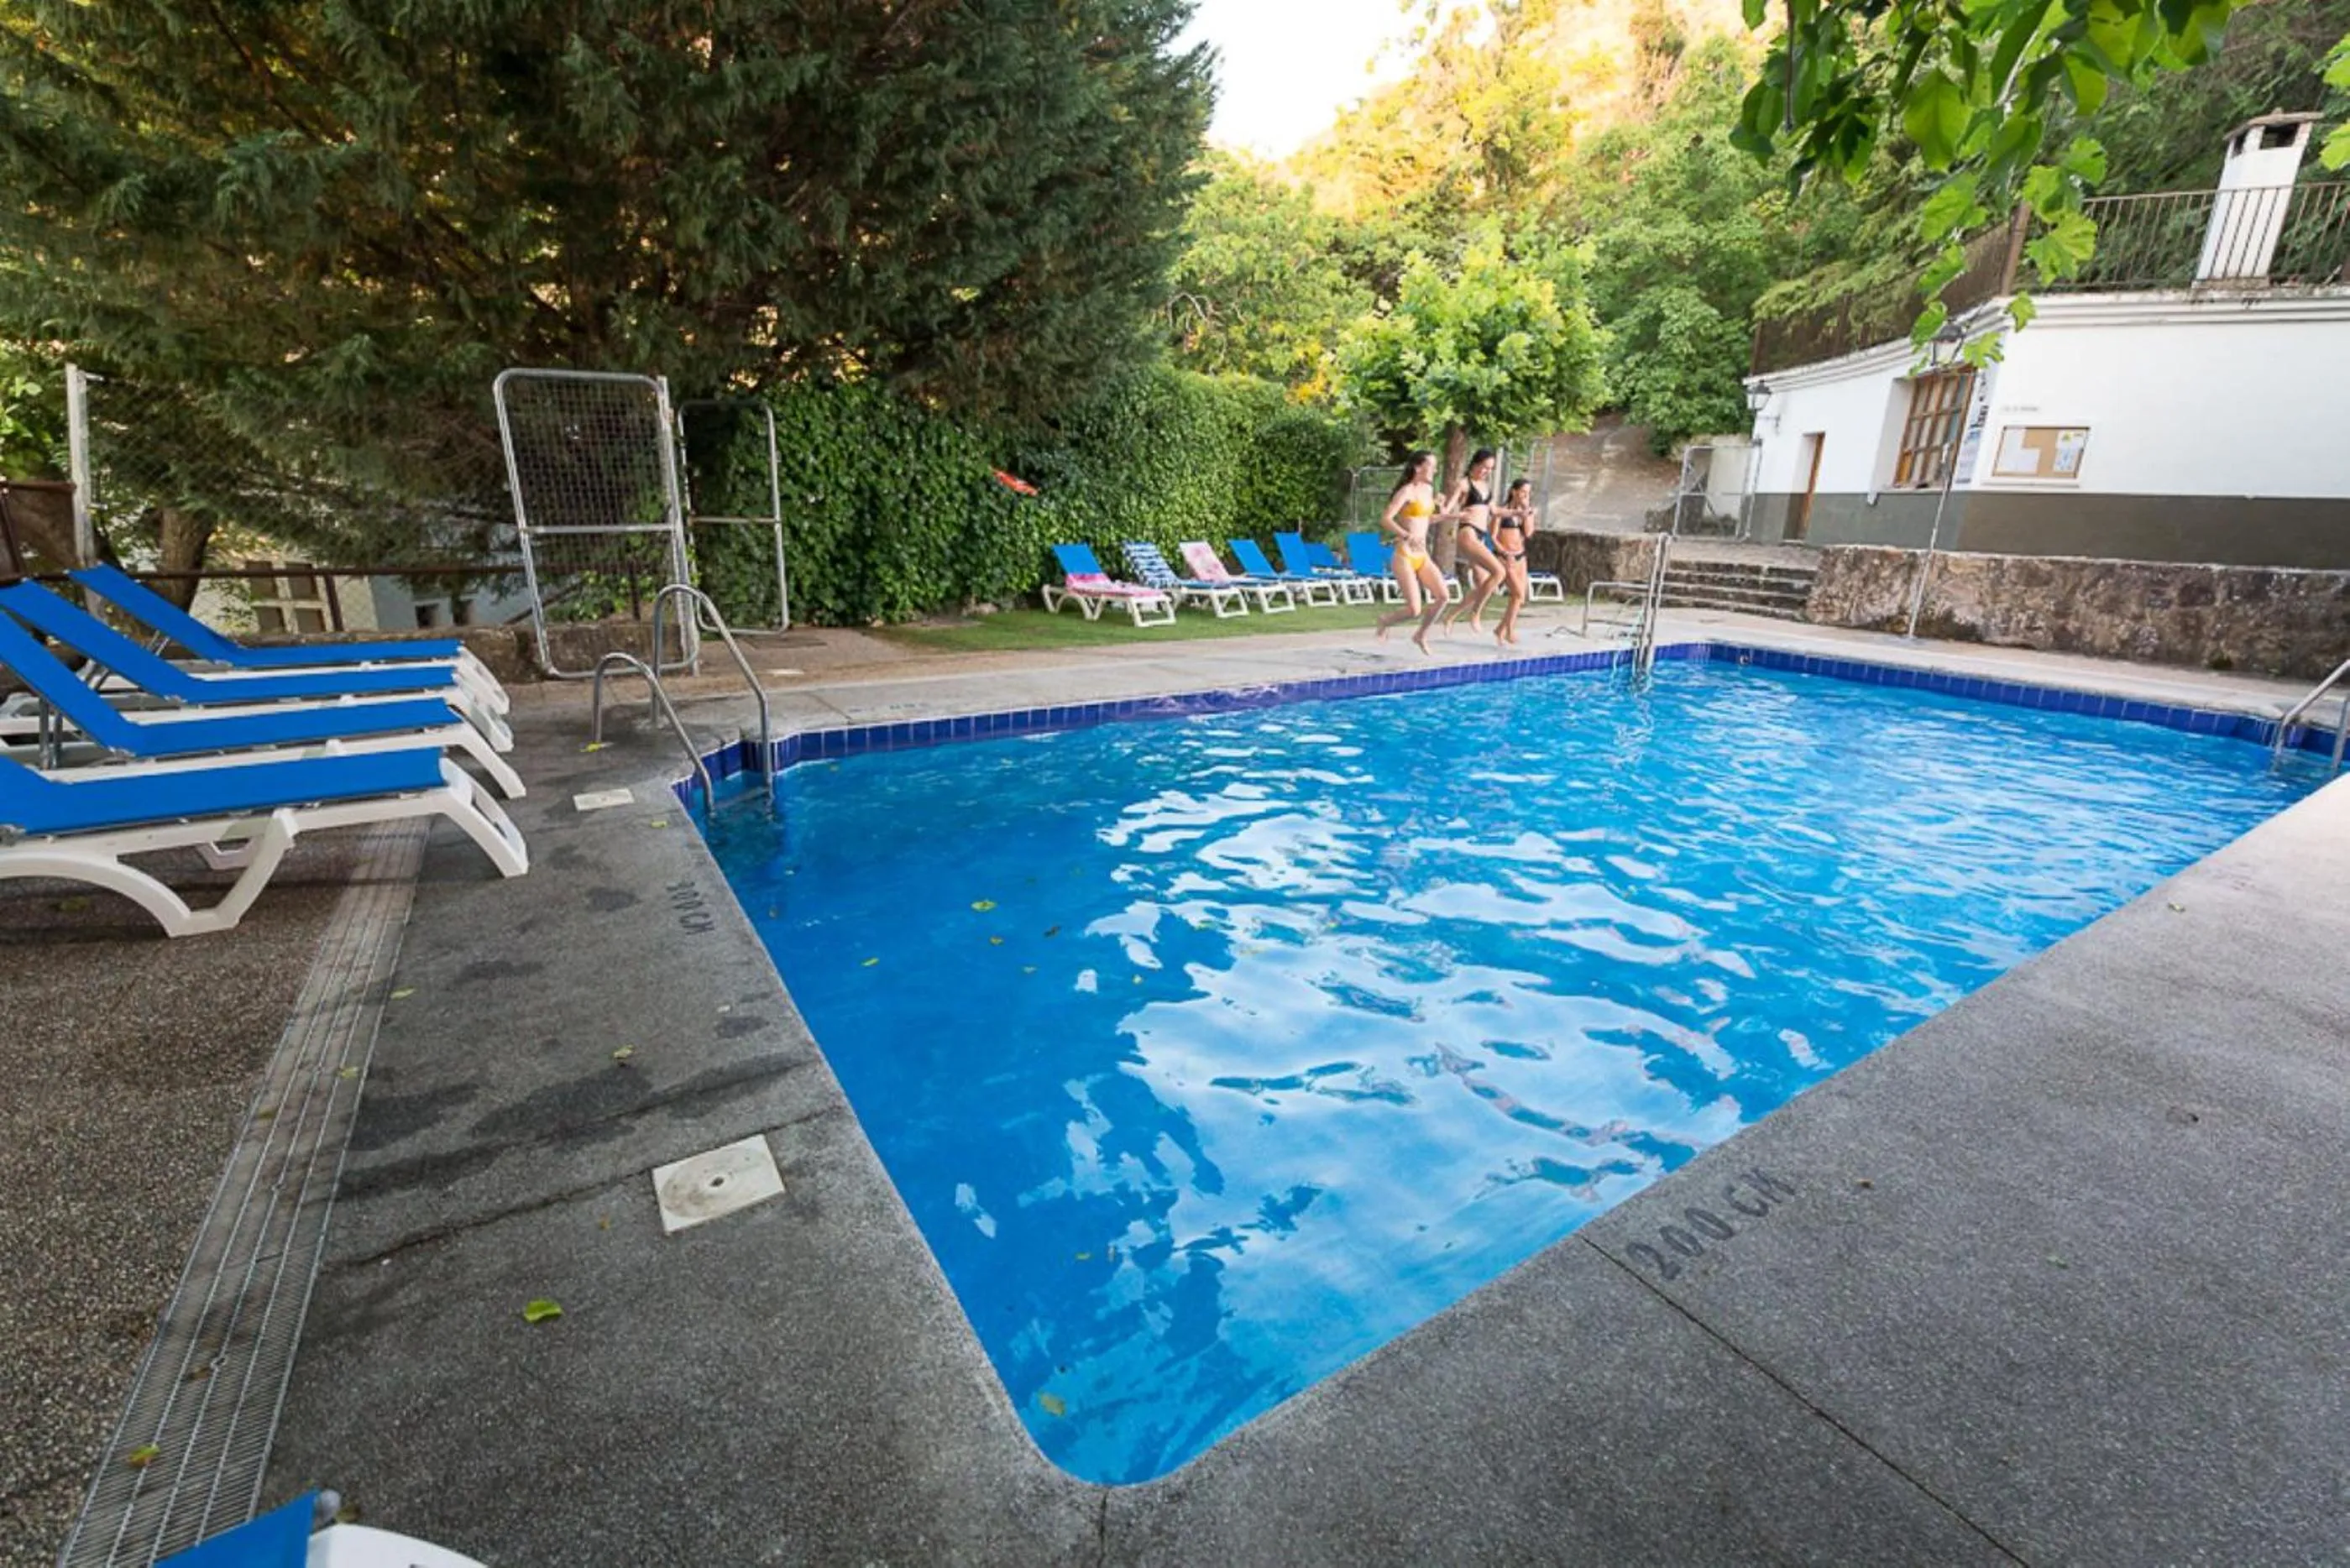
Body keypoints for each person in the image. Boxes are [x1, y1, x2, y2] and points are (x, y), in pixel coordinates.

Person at [1373, 452, 1450, 653]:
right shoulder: (1407, 491)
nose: (1435, 470)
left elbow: (1426, 519)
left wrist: (1444, 512)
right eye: (1431, 466)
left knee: (1443, 596)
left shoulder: (1428, 490)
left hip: (1422, 555)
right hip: (1405, 554)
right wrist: (1406, 535)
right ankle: (1385, 620)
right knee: (1414, 609)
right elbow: (1386, 519)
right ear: (1418, 468)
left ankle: (1421, 635)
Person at [1439, 449, 1506, 635]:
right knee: (1499, 571)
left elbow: (1496, 511)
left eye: (1490, 469)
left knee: (1485, 584)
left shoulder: (1485, 487)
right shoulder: (1464, 484)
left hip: (1480, 536)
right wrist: (1449, 509)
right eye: (1484, 467)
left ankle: (1451, 617)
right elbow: (1446, 511)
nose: (1486, 472)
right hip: (1467, 533)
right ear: (1475, 464)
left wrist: (1518, 513)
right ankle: (1475, 614)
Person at [1490, 477, 1537, 647]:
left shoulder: (1526, 512)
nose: (1525, 496)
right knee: (1518, 593)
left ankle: (1500, 630)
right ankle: (1508, 630)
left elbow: (1529, 533)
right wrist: (1503, 552)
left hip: (1520, 557)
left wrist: (1527, 513)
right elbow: (1493, 536)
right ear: (1514, 491)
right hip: (1505, 557)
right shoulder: (1502, 512)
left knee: (1518, 597)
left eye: (1528, 493)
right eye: (1523, 492)